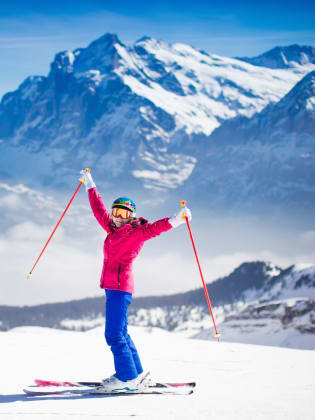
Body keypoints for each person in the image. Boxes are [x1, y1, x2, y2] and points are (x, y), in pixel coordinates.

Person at [80, 169, 192, 392]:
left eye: (124, 213)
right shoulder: (112, 228)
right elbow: (98, 210)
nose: (118, 216)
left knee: (113, 334)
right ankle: (137, 374)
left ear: (131, 216)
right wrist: (90, 185)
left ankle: (126, 377)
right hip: (114, 288)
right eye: (116, 212)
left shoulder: (135, 232)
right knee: (121, 333)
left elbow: (154, 229)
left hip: (120, 288)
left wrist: (175, 220)